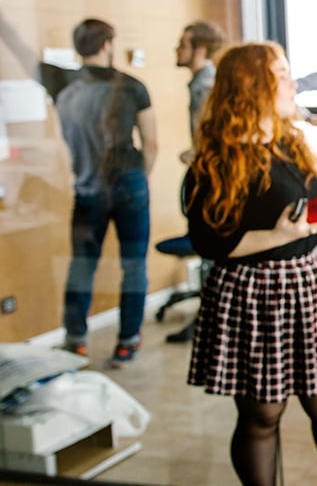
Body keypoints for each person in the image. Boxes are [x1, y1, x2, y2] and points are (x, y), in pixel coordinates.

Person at [185, 42, 317, 485]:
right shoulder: (214, 161)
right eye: (280, 74)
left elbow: (308, 216)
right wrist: (275, 236)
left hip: (304, 285)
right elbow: (208, 242)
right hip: (251, 292)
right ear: (250, 86)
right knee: (262, 416)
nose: (291, 83)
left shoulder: (293, 145)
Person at [56, 18, 158, 367]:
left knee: (82, 265)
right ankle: (127, 342)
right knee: (133, 265)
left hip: (87, 186)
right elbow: (151, 143)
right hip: (128, 182)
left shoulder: (64, 84)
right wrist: (140, 180)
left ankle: (76, 340)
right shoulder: (132, 86)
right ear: (106, 45)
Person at [166, 21, 224, 343]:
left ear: (199, 49)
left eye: (182, 43)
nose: (177, 49)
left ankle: (210, 323)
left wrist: (198, 153)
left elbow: (212, 136)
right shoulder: (202, 82)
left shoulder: (207, 84)